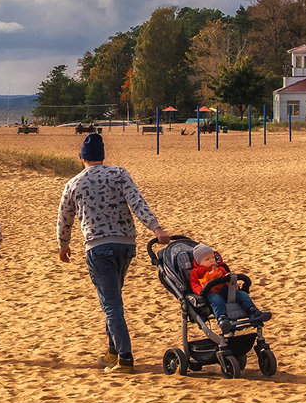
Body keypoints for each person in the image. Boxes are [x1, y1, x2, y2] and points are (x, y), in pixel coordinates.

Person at [57, 133, 169, 374]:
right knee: (112, 297)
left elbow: (64, 218)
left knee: (111, 304)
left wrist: (63, 245)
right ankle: (113, 351)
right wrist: (156, 228)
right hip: (126, 245)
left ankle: (125, 359)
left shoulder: (74, 183)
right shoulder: (119, 174)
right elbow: (138, 203)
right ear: (102, 156)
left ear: (82, 158)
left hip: (98, 247)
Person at [189, 243, 271, 333]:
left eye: (212, 257)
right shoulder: (196, 272)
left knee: (242, 295)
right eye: (207, 259)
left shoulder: (220, 268)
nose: (211, 260)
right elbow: (194, 284)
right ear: (198, 262)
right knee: (216, 299)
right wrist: (201, 291)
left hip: (226, 290)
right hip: (210, 292)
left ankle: (253, 311)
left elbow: (227, 278)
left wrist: (232, 285)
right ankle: (222, 318)